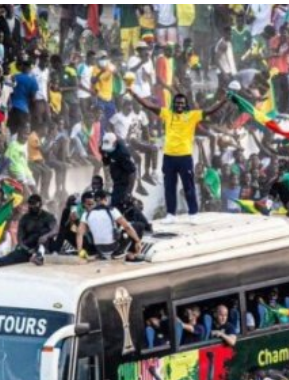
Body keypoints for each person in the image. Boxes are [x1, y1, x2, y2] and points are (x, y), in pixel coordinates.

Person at [128, 89, 227, 221]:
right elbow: (149, 106)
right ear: (174, 104)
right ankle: (170, 214)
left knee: (189, 186)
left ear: (185, 105)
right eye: (177, 103)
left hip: (185, 156)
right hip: (169, 157)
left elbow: (210, 110)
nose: (179, 105)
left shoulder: (192, 115)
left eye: (182, 103)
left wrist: (224, 100)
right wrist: (134, 94)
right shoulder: (167, 114)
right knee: (169, 186)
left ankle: (193, 214)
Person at [0, 195, 56, 268]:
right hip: (29, 248)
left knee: (43, 236)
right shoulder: (25, 218)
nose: (31, 207)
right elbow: (20, 238)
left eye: (34, 204)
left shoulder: (48, 217)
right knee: (14, 255)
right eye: (30, 205)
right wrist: (26, 249)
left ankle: (39, 257)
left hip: (44, 245)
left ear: (39, 205)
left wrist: (46, 236)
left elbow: (55, 230)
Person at [75, 190, 143, 261]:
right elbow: (127, 227)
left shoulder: (86, 214)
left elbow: (79, 233)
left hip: (99, 248)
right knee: (138, 225)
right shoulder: (112, 210)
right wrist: (137, 241)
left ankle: (103, 255)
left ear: (95, 200)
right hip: (113, 247)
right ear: (105, 199)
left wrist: (80, 251)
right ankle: (130, 255)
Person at [100, 133, 137, 208]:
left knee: (118, 204)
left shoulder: (123, 153)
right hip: (116, 179)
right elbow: (106, 163)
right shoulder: (104, 148)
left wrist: (128, 192)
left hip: (124, 181)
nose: (107, 151)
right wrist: (104, 155)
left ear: (115, 143)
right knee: (114, 202)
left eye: (108, 149)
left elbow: (132, 173)